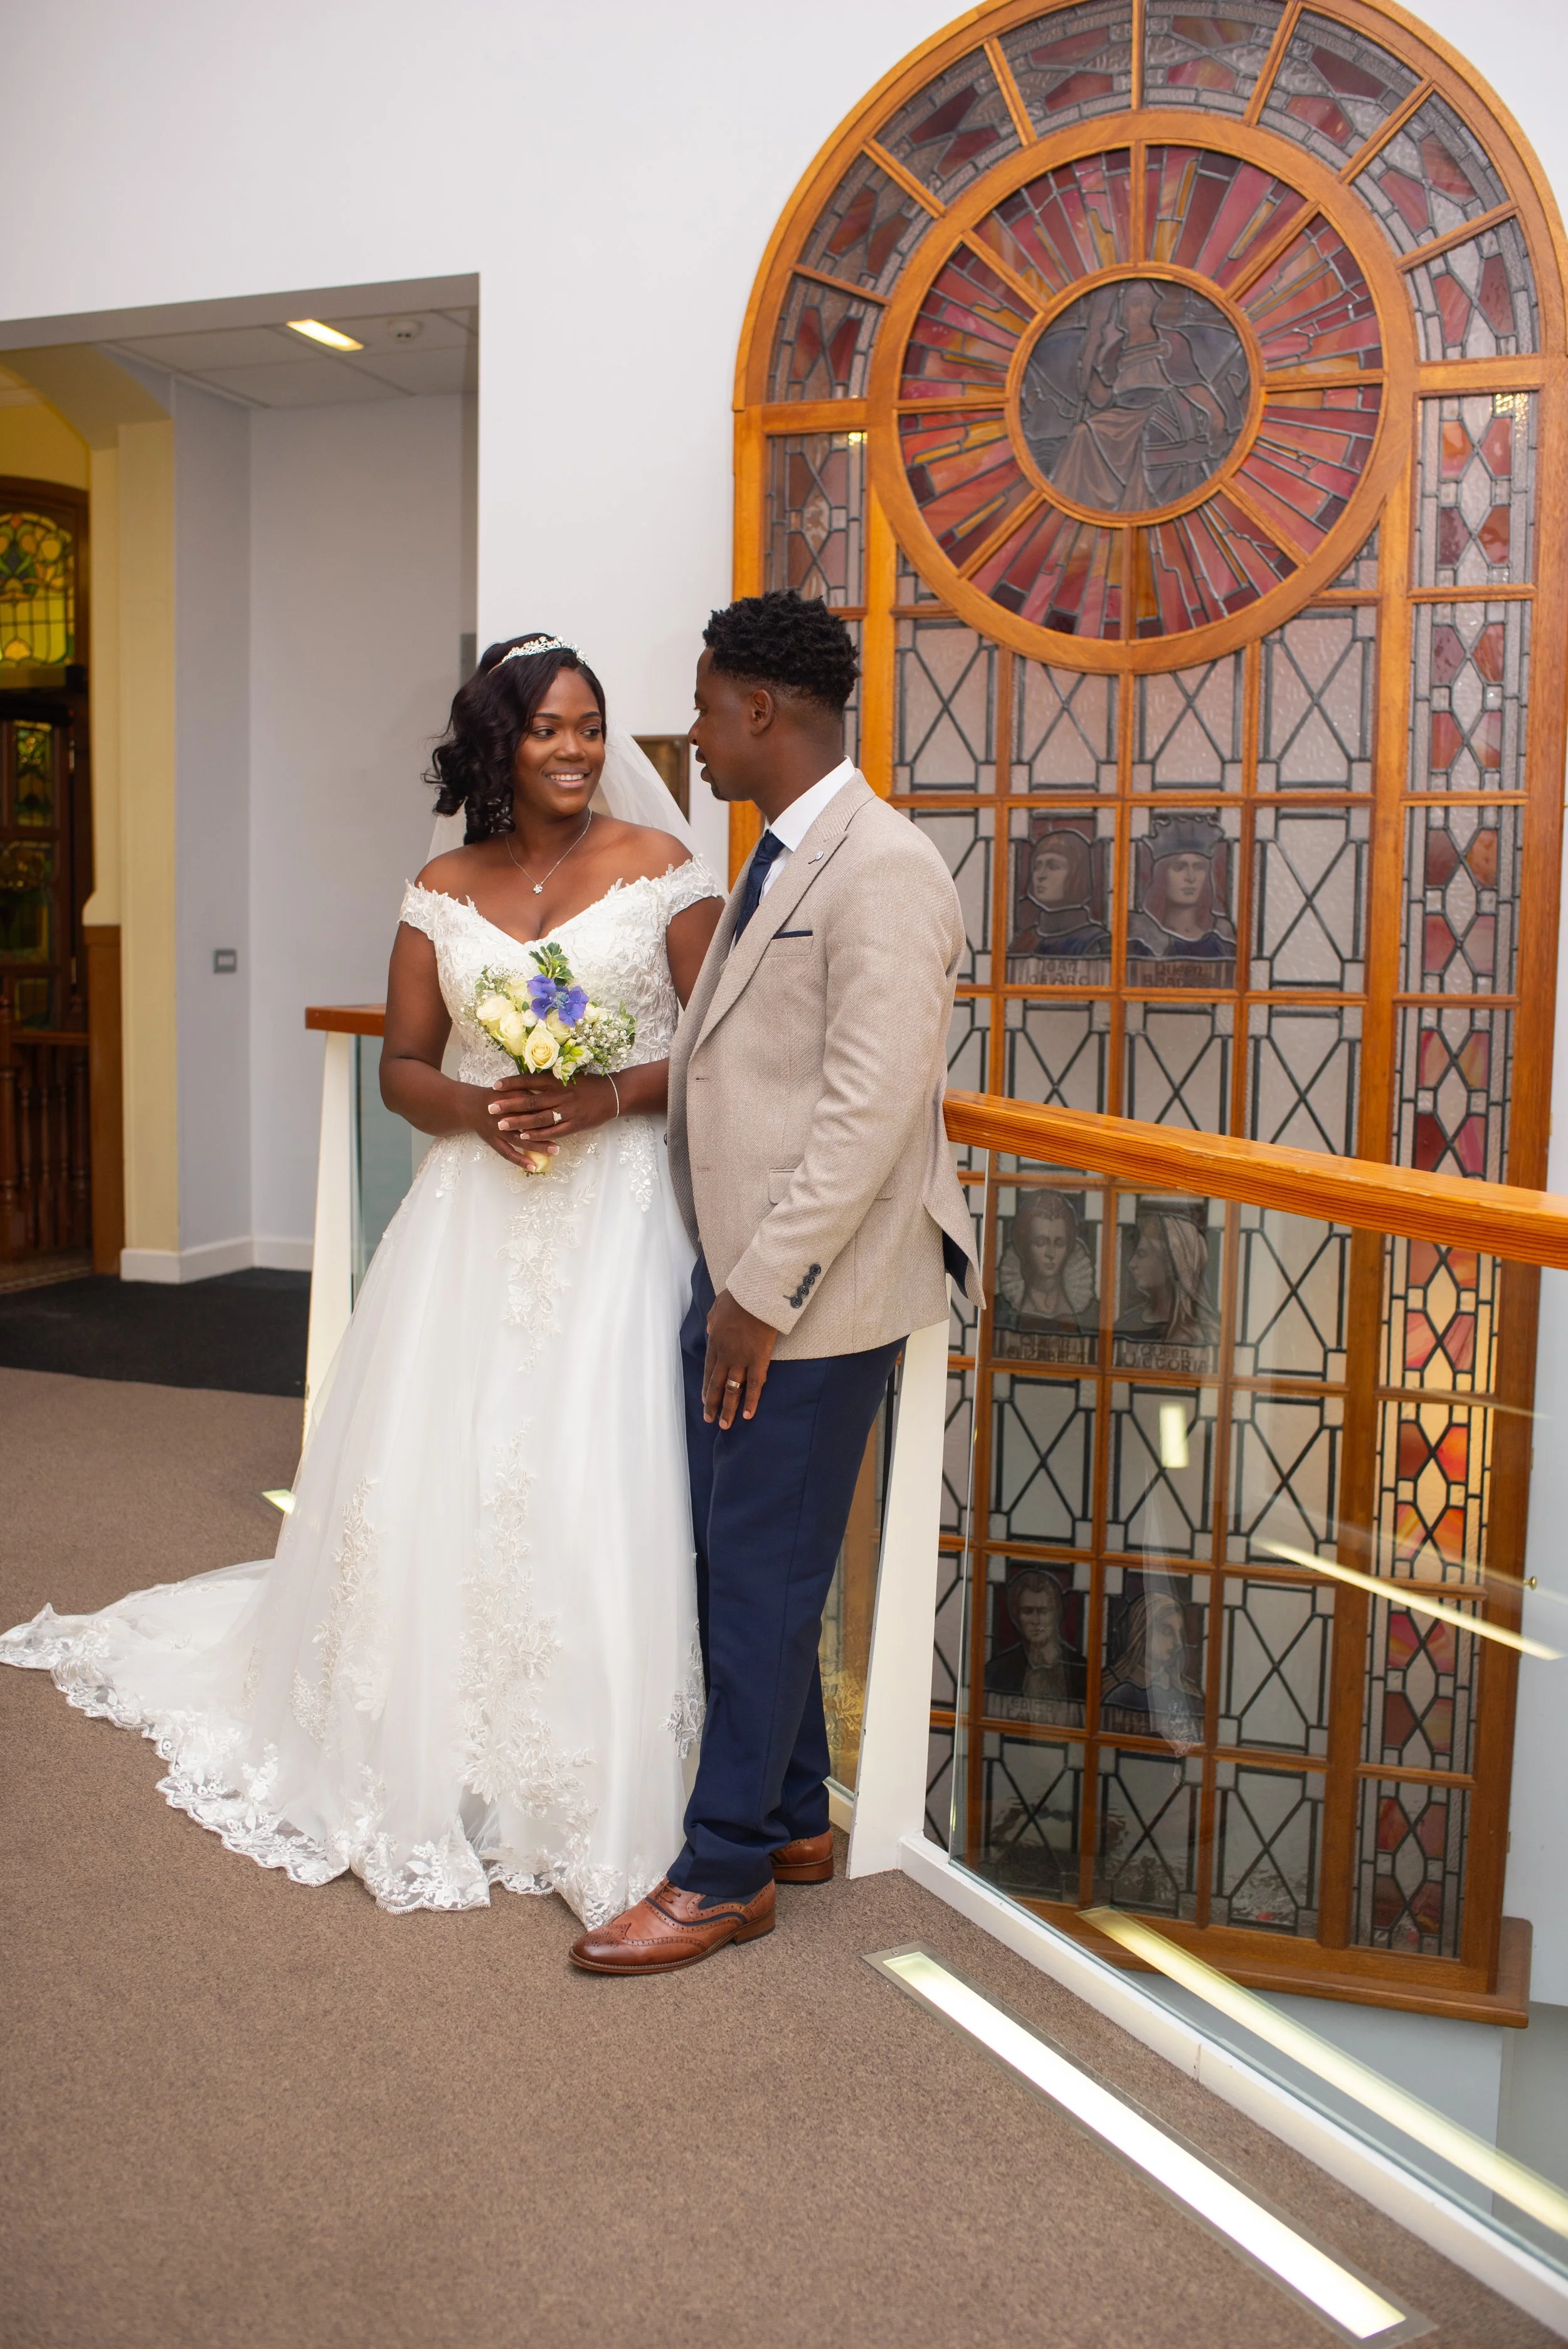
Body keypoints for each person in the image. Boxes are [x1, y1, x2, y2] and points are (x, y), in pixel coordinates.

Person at [0, 635, 724, 1924]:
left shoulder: (662, 870)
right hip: (473, 1212)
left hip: (611, 1216)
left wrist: (602, 1093)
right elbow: (398, 1067)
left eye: (591, 726)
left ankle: (579, 1757)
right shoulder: (440, 886)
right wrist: (479, 1108)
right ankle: (426, 1731)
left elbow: (719, 1044)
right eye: (548, 727)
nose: (575, 750)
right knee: (446, 1459)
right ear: (497, 743)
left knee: (583, 1462)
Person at [568, 590, 981, 1975]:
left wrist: (758, 1295)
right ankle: (795, 1814)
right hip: (743, 1276)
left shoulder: (884, 868)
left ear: (759, 712)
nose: (686, 731)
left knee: (750, 1577)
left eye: (700, 704)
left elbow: (870, 1110)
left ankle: (722, 1871)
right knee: (748, 1564)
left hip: (810, 1300)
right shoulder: (775, 856)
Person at [1125, 815, 1236, 965]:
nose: (1191, 878)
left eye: (1199, 868)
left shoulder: (1223, 937)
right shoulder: (1141, 938)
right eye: (1179, 867)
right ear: (1162, 876)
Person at [984, 1569, 1087, 1724]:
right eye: (1028, 1612)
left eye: (1044, 1611)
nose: (1036, 1621)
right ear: (1016, 1615)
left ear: (1057, 1614)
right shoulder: (996, 1671)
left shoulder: (1082, 1670)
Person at [995, 1189, 1097, 1337]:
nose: (1050, 1254)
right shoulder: (1000, 1310)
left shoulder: (1091, 1312)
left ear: (1069, 1248)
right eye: (1041, 1242)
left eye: (1059, 1243)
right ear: (1025, 1247)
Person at [1006, 827, 1110, 962]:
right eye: (1037, 866)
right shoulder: (1023, 941)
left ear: (1078, 874)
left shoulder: (1097, 944)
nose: (1041, 876)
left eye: (1053, 866)